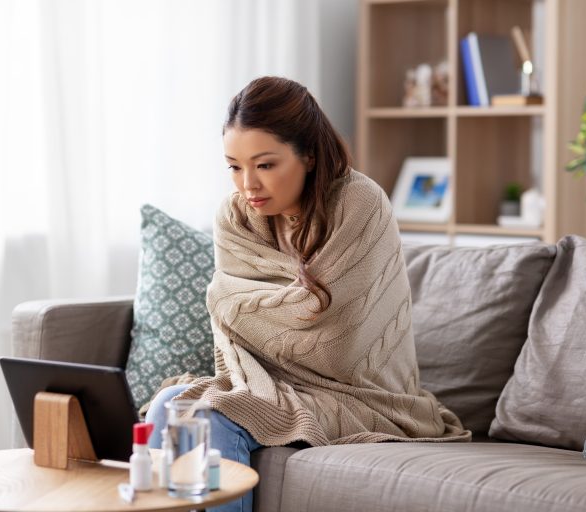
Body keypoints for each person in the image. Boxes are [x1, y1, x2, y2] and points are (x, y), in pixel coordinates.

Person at [145, 76, 471, 512]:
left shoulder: (358, 203)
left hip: (359, 394)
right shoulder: (235, 217)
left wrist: (233, 300)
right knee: (167, 403)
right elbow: (233, 316)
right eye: (234, 166)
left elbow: (336, 344)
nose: (248, 185)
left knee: (209, 417)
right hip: (267, 381)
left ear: (309, 156)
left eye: (265, 165)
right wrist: (251, 301)